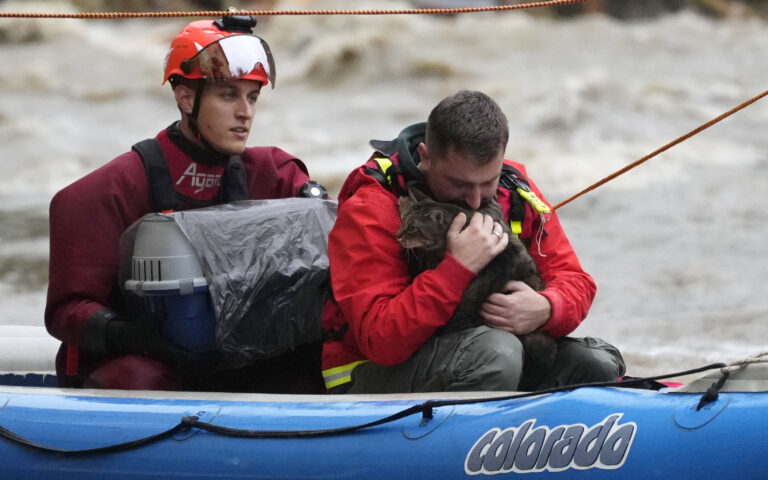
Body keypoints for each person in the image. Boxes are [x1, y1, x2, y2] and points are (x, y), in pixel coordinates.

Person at [45, 16, 327, 392]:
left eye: (252, 96)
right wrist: (132, 336)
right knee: (138, 379)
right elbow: (67, 310)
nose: (246, 112)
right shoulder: (109, 190)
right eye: (229, 95)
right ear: (185, 97)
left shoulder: (274, 175)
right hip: (146, 362)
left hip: (236, 356)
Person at [321, 90, 625, 393]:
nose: (476, 199)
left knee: (596, 363)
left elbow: (575, 280)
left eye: (488, 182)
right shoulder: (371, 208)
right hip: (367, 376)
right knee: (497, 354)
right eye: (459, 183)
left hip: (486, 354)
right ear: (426, 157)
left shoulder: (513, 189)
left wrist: (546, 307)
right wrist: (457, 269)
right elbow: (381, 339)